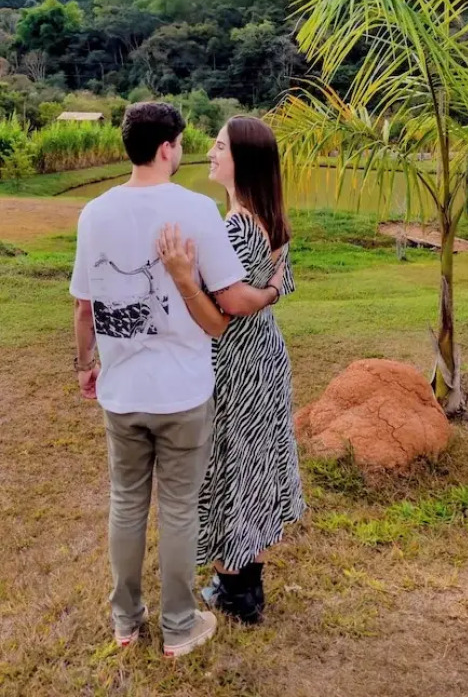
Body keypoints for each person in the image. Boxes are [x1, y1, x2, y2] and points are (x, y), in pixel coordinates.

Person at [70, 102, 284, 658]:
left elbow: (83, 308)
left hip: (121, 392)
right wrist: (198, 284)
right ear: (168, 147)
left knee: (126, 504)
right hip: (184, 392)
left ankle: (125, 621)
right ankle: (179, 625)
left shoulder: (93, 213)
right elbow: (218, 319)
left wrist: (84, 365)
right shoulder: (195, 211)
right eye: (187, 142)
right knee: (180, 509)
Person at [157, 116, 305, 625]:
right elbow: (282, 287)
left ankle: (236, 589)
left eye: (220, 145)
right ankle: (245, 582)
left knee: (231, 466)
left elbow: (229, 306)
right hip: (264, 354)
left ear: (243, 159)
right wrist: (266, 294)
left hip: (237, 362)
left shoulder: (238, 225)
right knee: (255, 464)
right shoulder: (271, 216)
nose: (210, 151)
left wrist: (183, 278)